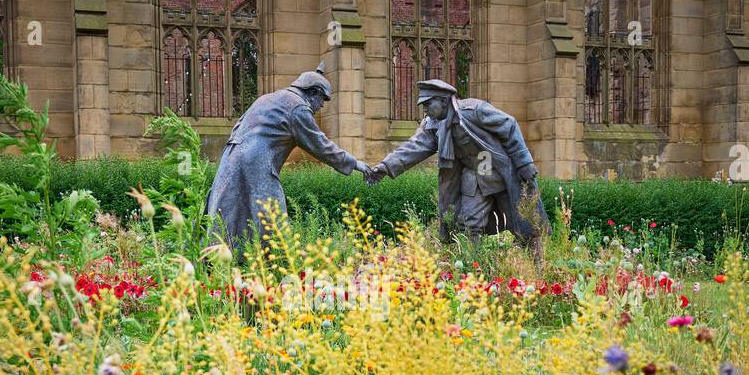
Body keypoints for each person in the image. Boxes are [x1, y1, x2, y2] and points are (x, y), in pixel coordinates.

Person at [206, 63, 371, 247]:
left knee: (229, 212)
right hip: (257, 162)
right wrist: (356, 164)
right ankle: (274, 262)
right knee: (271, 216)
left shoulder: (268, 98)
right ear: (313, 91)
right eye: (322, 99)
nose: (321, 106)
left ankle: (221, 261)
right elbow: (321, 146)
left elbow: (239, 126)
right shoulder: (298, 107)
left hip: (231, 156)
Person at [366, 79, 548, 244]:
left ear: (444, 101)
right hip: (475, 176)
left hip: (502, 173)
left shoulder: (473, 110)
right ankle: (471, 271)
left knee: (525, 222)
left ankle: (536, 271)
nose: (425, 109)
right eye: (424, 105)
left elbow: (509, 126)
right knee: (468, 224)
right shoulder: (432, 124)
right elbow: (413, 148)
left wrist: (524, 163)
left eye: (428, 104)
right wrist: (385, 167)